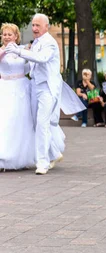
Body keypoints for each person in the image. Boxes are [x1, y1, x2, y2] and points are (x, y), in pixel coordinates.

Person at [4, 15, 69, 175]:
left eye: (38, 25)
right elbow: (30, 66)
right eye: (33, 25)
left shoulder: (49, 43)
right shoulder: (36, 43)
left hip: (47, 88)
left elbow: (42, 58)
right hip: (34, 86)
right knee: (35, 123)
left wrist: (19, 51)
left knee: (42, 123)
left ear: (46, 26)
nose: (34, 28)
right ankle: (53, 153)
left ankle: (42, 163)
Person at [0, 23, 37, 170]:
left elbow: (26, 67)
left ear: (16, 36)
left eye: (10, 34)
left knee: (21, 120)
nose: (7, 37)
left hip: (21, 87)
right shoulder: (1, 50)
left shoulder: (21, 50)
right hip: (6, 87)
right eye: (4, 34)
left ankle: (18, 157)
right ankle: (3, 155)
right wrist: (4, 52)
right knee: (6, 119)